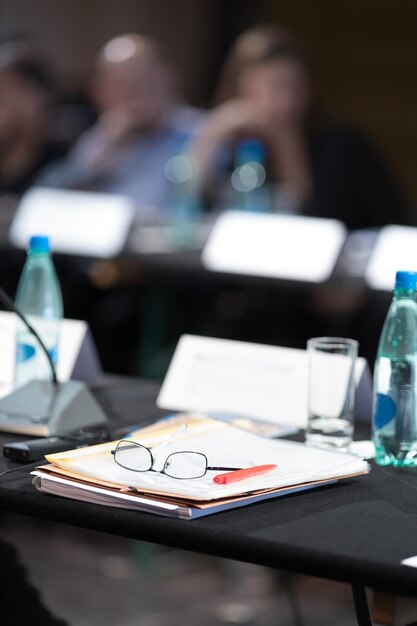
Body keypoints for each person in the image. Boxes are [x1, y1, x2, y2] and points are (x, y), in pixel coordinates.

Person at [192, 24, 409, 229]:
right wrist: (211, 136)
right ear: (239, 89)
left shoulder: (342, 144)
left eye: (295, 87)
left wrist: (288, 149)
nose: (286, 102)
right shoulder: (231, 142)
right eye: (273, 88)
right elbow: (189, 208)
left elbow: (317, 223)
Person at [39, 33, 204, 215]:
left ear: (170, 78)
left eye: (145, 81)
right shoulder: (103, 136)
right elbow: (46, 198)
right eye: (120, 84)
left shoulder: (204, 131)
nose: (134, 94)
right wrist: (104, 145)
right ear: (98, 93)